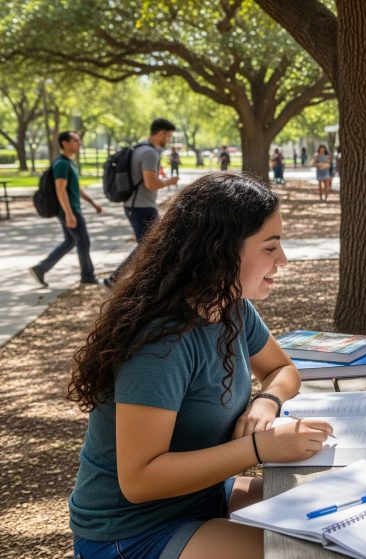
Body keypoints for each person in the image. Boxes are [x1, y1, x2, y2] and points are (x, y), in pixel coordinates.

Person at [67, 173, 334, 558]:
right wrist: (259, 448)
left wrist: (267, 402)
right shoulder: (162, 343)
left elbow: (282, 370)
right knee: (311, 552)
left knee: (333, 510)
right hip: (132, 532)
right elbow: (139, 480)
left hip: (201, 498)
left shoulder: (231, 306)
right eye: (270, 247)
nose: (283, 260)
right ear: (221, 250)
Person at [104, 118, 180, 288]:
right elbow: (151, 183)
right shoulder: (149, 153)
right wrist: (170, 181)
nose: (169, 139)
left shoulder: (138, 148)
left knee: (151, 244)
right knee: (152, 244)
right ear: (160, 133)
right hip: (141, 206)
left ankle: (133, 279)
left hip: (135, 205)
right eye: (168, 135)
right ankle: (118, 279)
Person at [29, 131, 103, 287]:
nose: (79, 143)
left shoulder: (69, 163)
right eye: (75, 140)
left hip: (71, 209)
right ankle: (87, 276)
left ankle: (40, 269)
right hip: (68, 210)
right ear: (64, 143)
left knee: (70, 241)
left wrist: (93, 203)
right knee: (83, 241)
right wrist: (69, 214)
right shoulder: (61, 164)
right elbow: (60, 189)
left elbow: (76, 188)